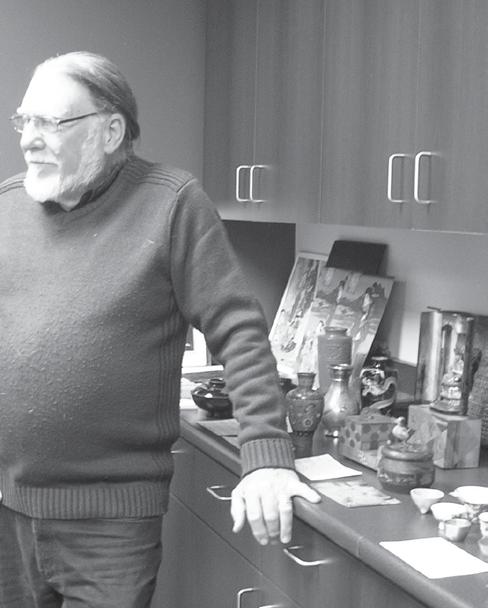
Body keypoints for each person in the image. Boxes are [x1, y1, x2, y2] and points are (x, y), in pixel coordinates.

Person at [0, 51, 320, 607]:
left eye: (50, 122)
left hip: (109, 526)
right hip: (8, 509)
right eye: (24, 121)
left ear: (109, 131)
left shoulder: (171, 203)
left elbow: (238, 330)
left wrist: (267, 455)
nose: (29, 139)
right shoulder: (7, 206)